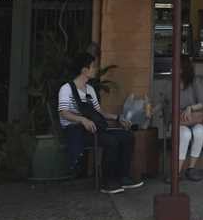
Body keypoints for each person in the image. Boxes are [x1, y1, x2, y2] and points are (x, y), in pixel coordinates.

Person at [58, 52, 144, 194]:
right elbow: (63, 113)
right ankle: (108, 182)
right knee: (110, 141)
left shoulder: (90, 89)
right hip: (76, 131)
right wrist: (82, 119)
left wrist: (118, 118)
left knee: (127, 136)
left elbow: (99, 113)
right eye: (93, 66)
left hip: (94, 128)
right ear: (84, 70)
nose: (96, 69)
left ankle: (122, 176)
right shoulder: (66, 89)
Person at [167, 58, 203, 183]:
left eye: (177, 66)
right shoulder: (171, 82)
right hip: (179, 121)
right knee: (185, 134)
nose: (174, 68)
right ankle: (176, 172)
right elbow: (164, 102)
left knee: (200, 131)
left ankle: (191, 168)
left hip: (193, 118)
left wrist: (190, 108)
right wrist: (151, 111)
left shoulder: (194, 81)